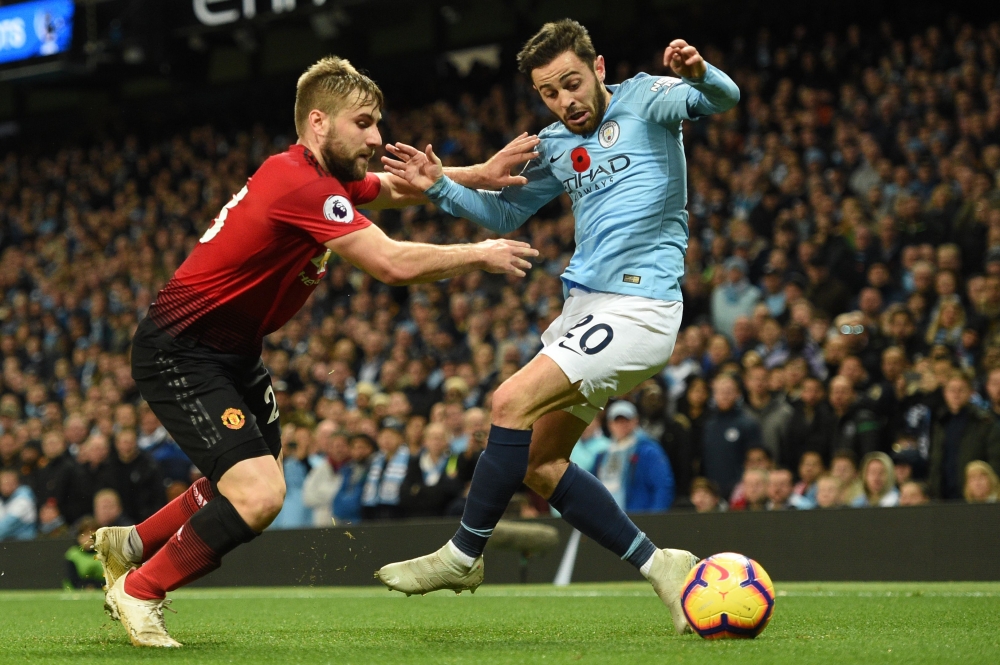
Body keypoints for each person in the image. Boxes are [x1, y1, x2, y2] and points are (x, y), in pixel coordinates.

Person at [92, 55, 538, 648]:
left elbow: (392, 187)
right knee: (259, 494)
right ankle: (141, 589)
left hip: (233, 353)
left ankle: (131, 545)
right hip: (181, 350)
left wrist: (475, 173)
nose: (378, 137)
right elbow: (389, 262)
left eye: (378, 122)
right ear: (320, 122)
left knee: (250, 477)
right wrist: (478, 252)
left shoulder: (318, 177)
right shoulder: (299, 181)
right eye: (364, 123)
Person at [376, 19, 739, 634]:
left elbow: (720, 99)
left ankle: (463, 555)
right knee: (540, 463)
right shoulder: (553, 143)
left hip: (639, 307)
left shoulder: (650, 97)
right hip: (586, 309)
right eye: (549, 92)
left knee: (508, 401)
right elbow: (504, 207)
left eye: (572, 83)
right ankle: (664, 567)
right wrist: (438, 185)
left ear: (598, 70)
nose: (565, 101)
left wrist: (701, 73)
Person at [592, 400, 675, 513]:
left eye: (626, 420)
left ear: (635, 421)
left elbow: (663, 486)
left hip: (638, 518)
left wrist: (655, 519)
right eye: (617, 421)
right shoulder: (602, 455)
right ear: (609, 424)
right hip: (608, 521)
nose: (622, 425)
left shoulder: (648, 451)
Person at [928, 374, 1000, 501]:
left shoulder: (984, 422)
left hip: (975, 497)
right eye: (952, 390)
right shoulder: (940, 422)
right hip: (944, 497)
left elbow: (995, 460)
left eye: (961, 390)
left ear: (971, 392)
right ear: (945, 393)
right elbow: (935, 461)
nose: (956, 394)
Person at [702, 374, 762, 499]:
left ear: (737, 394)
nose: (724, 395)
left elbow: (755, 460)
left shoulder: (747, 423)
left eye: (729, 391)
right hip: (713, 491)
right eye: (720, 392)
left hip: (739, 491)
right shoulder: (709, 424)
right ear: (714, 395)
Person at [400, 423, 463, 517]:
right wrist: (436, 492)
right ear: (425, 441)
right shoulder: (415, 462)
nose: (436, 441)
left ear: (447, 441)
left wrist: (419, 490)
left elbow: (453, 490)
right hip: (417, 515)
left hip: (444, 516)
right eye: (433, 437)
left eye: (440, 437)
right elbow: (405, 492)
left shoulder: (454, 460)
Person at [332, 434, 376, 524]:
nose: (358, 451)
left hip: (366, 520)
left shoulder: (375, 468)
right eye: (354, 448)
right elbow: (338, 498)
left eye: (361, 447)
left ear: (370, 448)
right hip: (346, 520)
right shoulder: (347, 469)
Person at [65, 517, 105, 590]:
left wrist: (96, 586)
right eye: (85, 534)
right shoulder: (72, 555)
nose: (89, 538)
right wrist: (86, 587)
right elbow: (73, 580)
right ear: (78, 537)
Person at [0, 469, 36, 541]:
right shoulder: (4, 498)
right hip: (9, 544)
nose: (7, 486)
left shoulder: (24, 498)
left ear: (18, 483)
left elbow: (6, 526)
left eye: (11, 483)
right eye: (4, 483)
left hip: (25, 545)